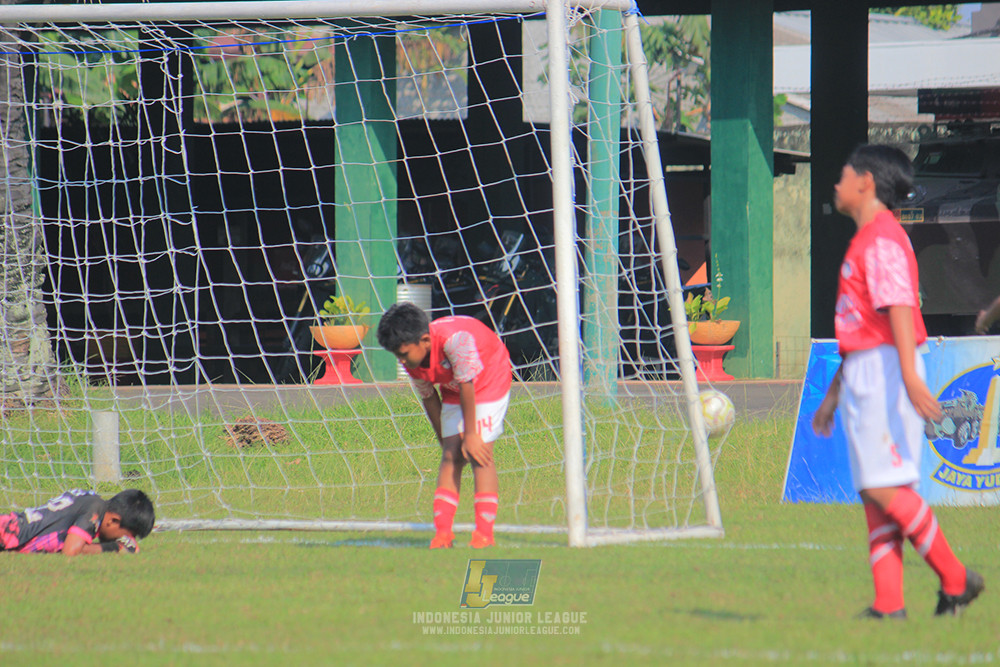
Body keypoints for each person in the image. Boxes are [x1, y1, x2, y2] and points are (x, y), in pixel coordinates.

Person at [812, 144, 984, 619]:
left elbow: (901, 306)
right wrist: (833, 396)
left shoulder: (882, 237)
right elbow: (862, 326)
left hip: (888, 370)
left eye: (843, 173)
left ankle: (955, 578)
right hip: (870, 370)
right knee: (874, 489)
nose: (836, 182)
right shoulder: (867, 237)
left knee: (887, 488)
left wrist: (908, 374)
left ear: (865, 181)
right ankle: (889, 604)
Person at [377, 302, 511, 549]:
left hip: (488, 379)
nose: (401, 360)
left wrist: (470, 435)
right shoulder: (412, 360)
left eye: (404, 354)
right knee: (451, 456)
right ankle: (442, 535)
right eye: (397, 355)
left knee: (479, 453)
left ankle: (483, 535)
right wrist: (444, 440)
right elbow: (429, 397)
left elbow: (467, 385)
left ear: (425, 340)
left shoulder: (455, 341)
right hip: (454, 386)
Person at [0, 488, 155, 556]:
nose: (126, 539)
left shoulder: (92, 500)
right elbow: (71, 551)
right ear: (114, 521)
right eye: (128, 535)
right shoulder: (96, 510)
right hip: (7, 534)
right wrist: (114, 547)